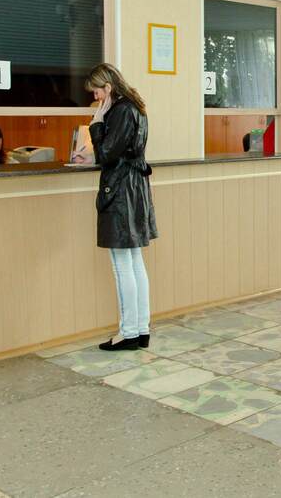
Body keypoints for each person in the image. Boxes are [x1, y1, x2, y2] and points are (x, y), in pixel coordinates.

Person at [85, 63, 158, 351]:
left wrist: (96, 124)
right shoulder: (136, 107)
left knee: (122, 265)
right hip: (135, 188)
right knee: (135, 261)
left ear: (108, 87)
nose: (95, 98)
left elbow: (105, 154)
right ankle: (140, 329)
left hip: (120, 190)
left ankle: (128, 333)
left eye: (97, 92)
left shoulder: (120, 111)